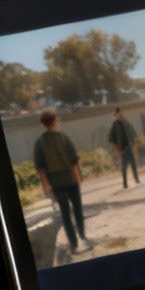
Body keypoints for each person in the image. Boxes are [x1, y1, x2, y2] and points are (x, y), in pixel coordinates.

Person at [30, 110, 92, 256]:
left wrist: (45, 184)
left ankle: (74, 243)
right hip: (70, 179)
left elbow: (40, 167)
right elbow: (74, 160)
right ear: (55, 121)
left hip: (56, 183)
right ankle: (82, 236)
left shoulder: (40, 142)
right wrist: (78, 176)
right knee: (77, 210)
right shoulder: (64, 137)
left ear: (44, 124)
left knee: (65, 213)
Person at [107, 106, 141, 188]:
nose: (121, 114)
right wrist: (117, 149)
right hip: (123, 149)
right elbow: (111, 138)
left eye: (122, 112)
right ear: (117, 114)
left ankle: (137, 180)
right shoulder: (115, 125)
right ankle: (125, 184)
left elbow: (133, 134)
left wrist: (135, 146)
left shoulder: (127, 123)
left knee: (133, 165)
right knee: (124, 167)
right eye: (119, 113)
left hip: (130, 147)